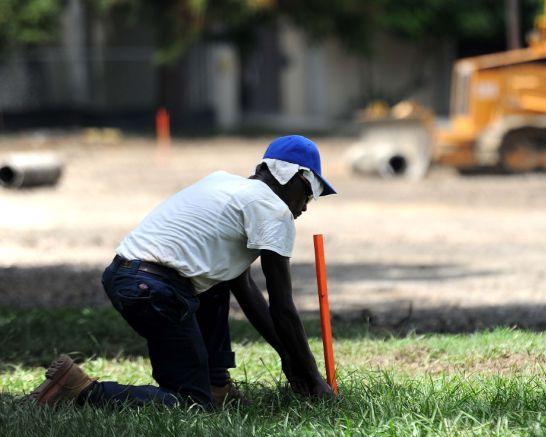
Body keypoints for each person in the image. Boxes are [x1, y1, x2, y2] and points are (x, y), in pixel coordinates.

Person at [28, 135, 337, 409]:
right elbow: (282, 307)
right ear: (294, 178)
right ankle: (80, 390)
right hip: (156, 291)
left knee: (218, 286)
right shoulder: (273, 210)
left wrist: (289, 357)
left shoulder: (223, 182)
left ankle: (216, 384)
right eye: (309, 193)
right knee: (191, 404)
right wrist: (313, 379)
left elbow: (243, 288)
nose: (306, 207)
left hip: (126, 276)